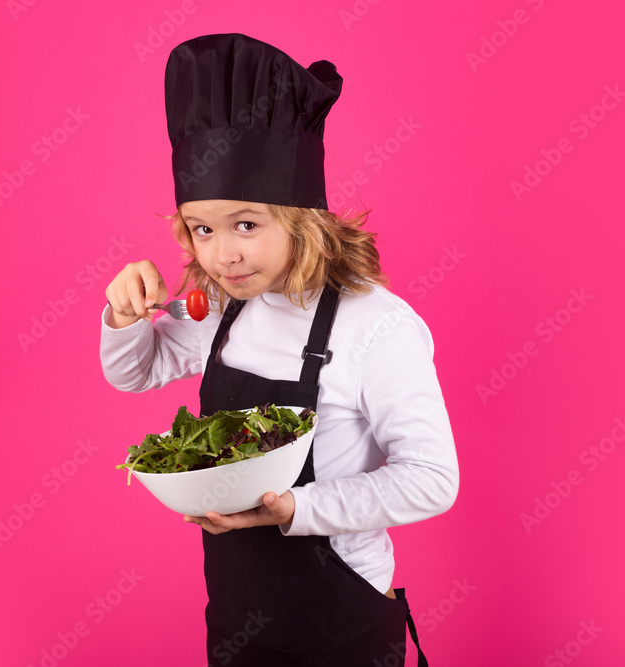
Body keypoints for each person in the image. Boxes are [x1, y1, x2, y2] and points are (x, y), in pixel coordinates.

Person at [100, 33, 458, 667]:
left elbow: (432, 481)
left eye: (246, 224)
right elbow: (140, 371)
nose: (223, 254)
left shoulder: (375, 325)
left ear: (303, 218)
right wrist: (123, 314)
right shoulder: (225, 305)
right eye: (202, 229)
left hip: (339, 620)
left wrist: (293, 508)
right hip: (238, 614)